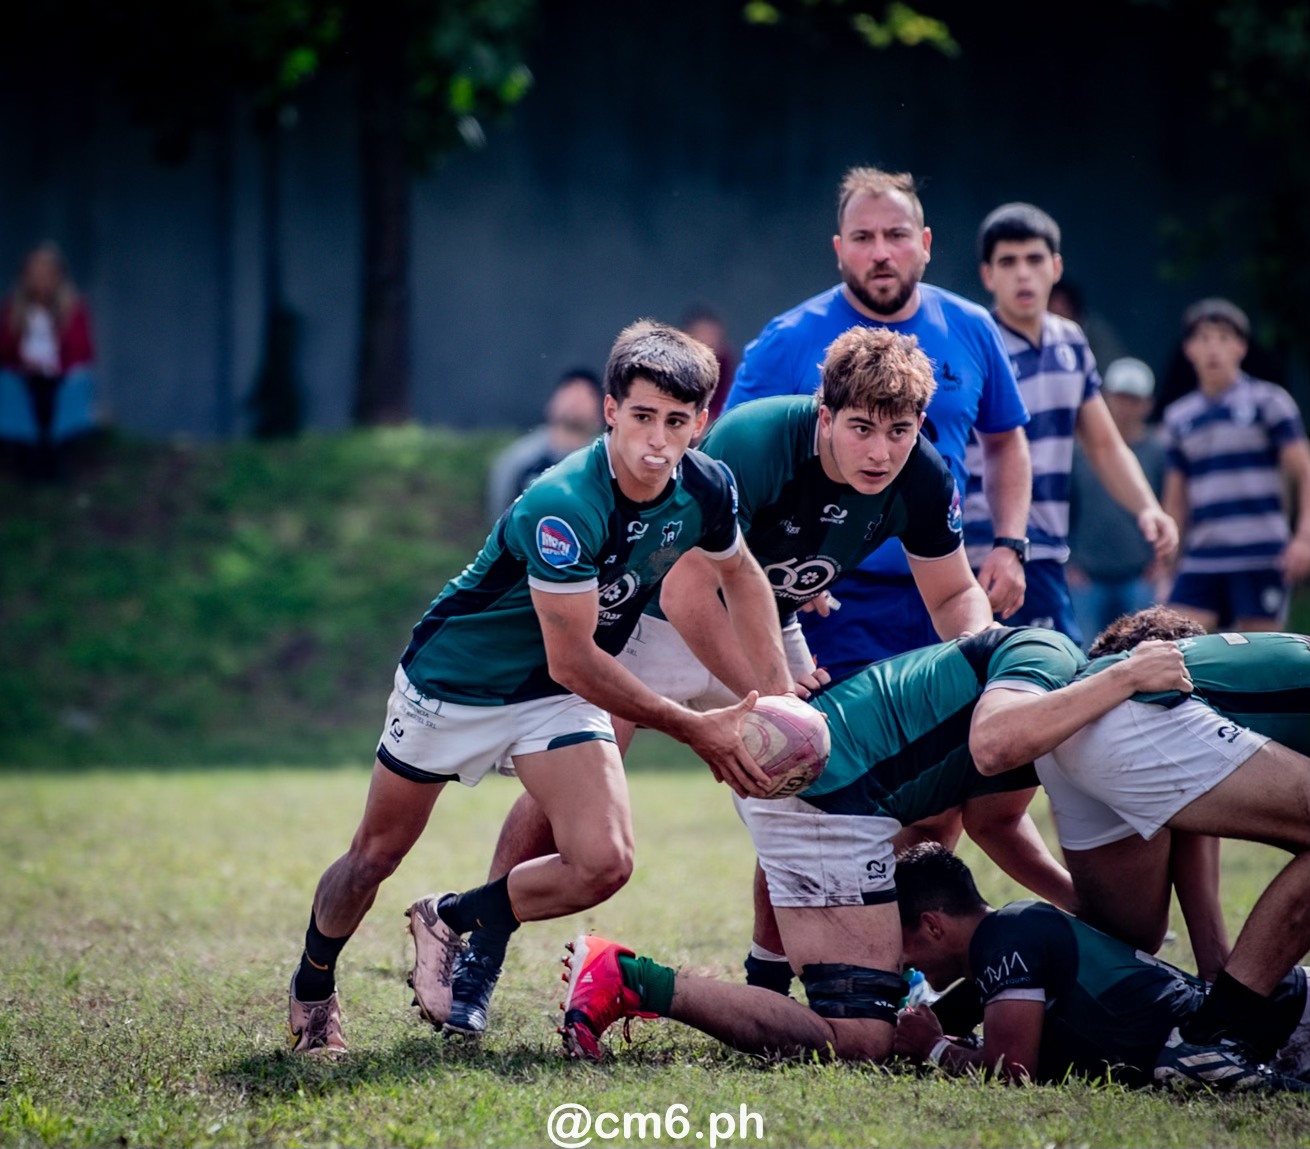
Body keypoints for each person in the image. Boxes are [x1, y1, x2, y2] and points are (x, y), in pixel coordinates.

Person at [443, 326, 1013, 1035]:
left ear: (919, 427)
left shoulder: (922, 474)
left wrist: (986, 663)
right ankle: (481, 944)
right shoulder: (756, 444)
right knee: (579, 770)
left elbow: (956, 595)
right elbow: (686, 595)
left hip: (763, 623)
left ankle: (766, 974)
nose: (880, 450)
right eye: (861, 428)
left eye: (898, 431)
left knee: (806, 786)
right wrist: (771, 697)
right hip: (655, 614)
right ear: (823, 415)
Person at [286, 320, 794, 1055]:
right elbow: (575, 661)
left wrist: (775, 694)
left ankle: (450, 916)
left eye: (678, 422)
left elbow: (741, 574)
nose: (658, 440)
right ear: (610, 410)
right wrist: (694, 726)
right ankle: (313, 984)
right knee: (374, 854)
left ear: (701, 422)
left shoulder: (707, 486)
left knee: (605, 862)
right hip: (456, 686)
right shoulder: (561, 502)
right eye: (643, 416)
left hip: (553, 700)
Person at [553, 626, 1191, 1065]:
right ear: (1120, 668)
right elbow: (994, 745)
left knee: (857, 1021)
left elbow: (996, 823)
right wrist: (1131, 679)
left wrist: (1088, 915)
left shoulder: (1055, 712)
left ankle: (751, 989)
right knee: (862, 1040)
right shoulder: (1050, 657)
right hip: (831, 793)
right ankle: (624, 977)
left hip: (839, 792)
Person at [974, 608, 1310, 1089]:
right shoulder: (1160, 672)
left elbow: (1199, 819)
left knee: (1126, 934)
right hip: (1134, 707)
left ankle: (971, 1008)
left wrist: (1218, 969)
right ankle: (1217, 1034)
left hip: (1082, 720)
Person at [725, 166, 1033, 680]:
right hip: (829, 592)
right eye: (863, 238)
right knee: (825, 750)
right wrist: (776, 572)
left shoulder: (972, 327)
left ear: (926, 242)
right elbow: (729, 478)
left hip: (941, 572)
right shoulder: (788, 339)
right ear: (839, 248)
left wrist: (1010, 543)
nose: (881, 252)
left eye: (896, 235)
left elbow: (1005, 443)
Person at [891, 844, 1310, 1091]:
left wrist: (935, 1048)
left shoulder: (1005, 937)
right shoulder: (1003, 942)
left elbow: (1013, 1072)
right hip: (1279, 1025)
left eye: (899, 944)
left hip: (1287, 1022)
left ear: (932, 925)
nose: (902, 960)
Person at [961, 203, 1177, 646]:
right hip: (982, 553)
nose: (1023, 274)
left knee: (1053, 681)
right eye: (1008, 262)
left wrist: (1147, 507)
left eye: (1034, 260)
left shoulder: (1071, 342)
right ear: (988, 275)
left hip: (1046, 553)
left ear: (1055, 266)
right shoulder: (975, 341)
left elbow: (1104, 445)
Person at [1160, 297, 1310, 631]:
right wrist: (1167, 564)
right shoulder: (1178, 417)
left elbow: (1304, 471)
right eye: (1203, 338)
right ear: (1189, 349)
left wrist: (1304, 539)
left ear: (1241, 347)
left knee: (1263, 656)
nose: (1213, 348)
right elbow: (1175, 500)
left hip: (1260, 551)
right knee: (1180, 642)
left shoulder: (1270, 402)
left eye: (1224, 338)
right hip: (1203, 556)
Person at [1066, 357, 1169, 644]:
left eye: (1134, 399)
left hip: (1140, 575)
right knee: (1086, 656)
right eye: (1120, 397)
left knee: (1143, 653)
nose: (1126, 406)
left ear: (1148, 403)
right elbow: (1065, 506)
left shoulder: (1159, 451)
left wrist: (1163, 564)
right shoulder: (1077, 451)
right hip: (1086, 577)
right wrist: (1070, 561)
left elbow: (1170, 505)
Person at [0, 242, 97, 480]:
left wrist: (57, 364)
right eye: (34, 275)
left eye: (46, 275)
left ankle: (57, 453)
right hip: (24, 376)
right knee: (9, 386)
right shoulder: (14, 308)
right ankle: (28, 453)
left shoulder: (73, 308)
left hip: (59, 376)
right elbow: (4, 351)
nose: (40, 281)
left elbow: (84, 351)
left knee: (75, 384)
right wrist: (25, 361)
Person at [484, 368, 604, 522]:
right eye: (570, 388)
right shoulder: (520, 459)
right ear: (551, 403)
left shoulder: (603, 465)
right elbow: (500, 515)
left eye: (588, 393)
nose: (577, 398)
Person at [679, 302, 736, 427]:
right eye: (702, 334)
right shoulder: (675, 364)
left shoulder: (724, 361)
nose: (708, 341)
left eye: (712, 335)